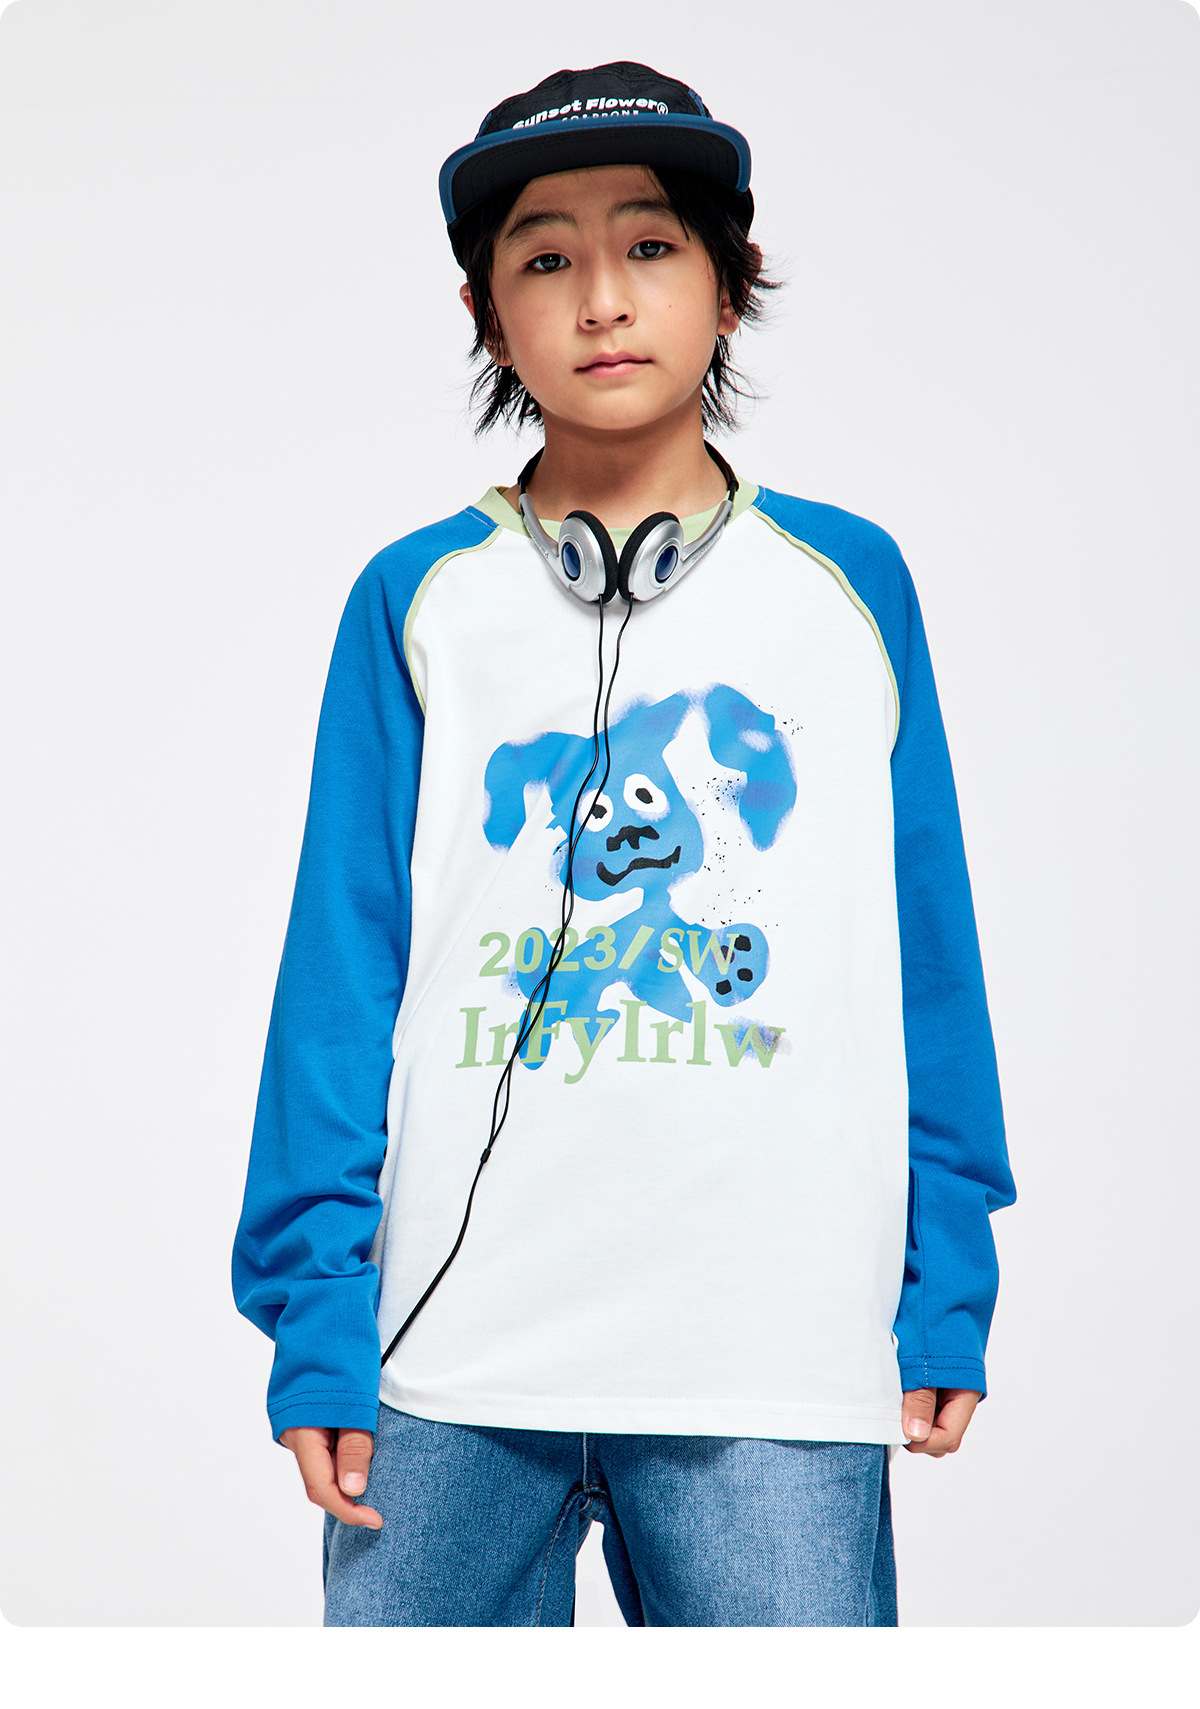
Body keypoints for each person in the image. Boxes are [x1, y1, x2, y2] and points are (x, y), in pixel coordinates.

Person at [231, 60, 1016, 1628]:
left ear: (730, 283)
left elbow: (925, 955)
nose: (602, 298)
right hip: (445, 1366)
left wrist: (946, 1274)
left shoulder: (850, 587)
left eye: (650, 246)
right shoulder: (417, 599)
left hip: (769, 1359)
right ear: (488, 315)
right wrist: (316, 1318)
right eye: (546, 258)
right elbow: (340, 973)